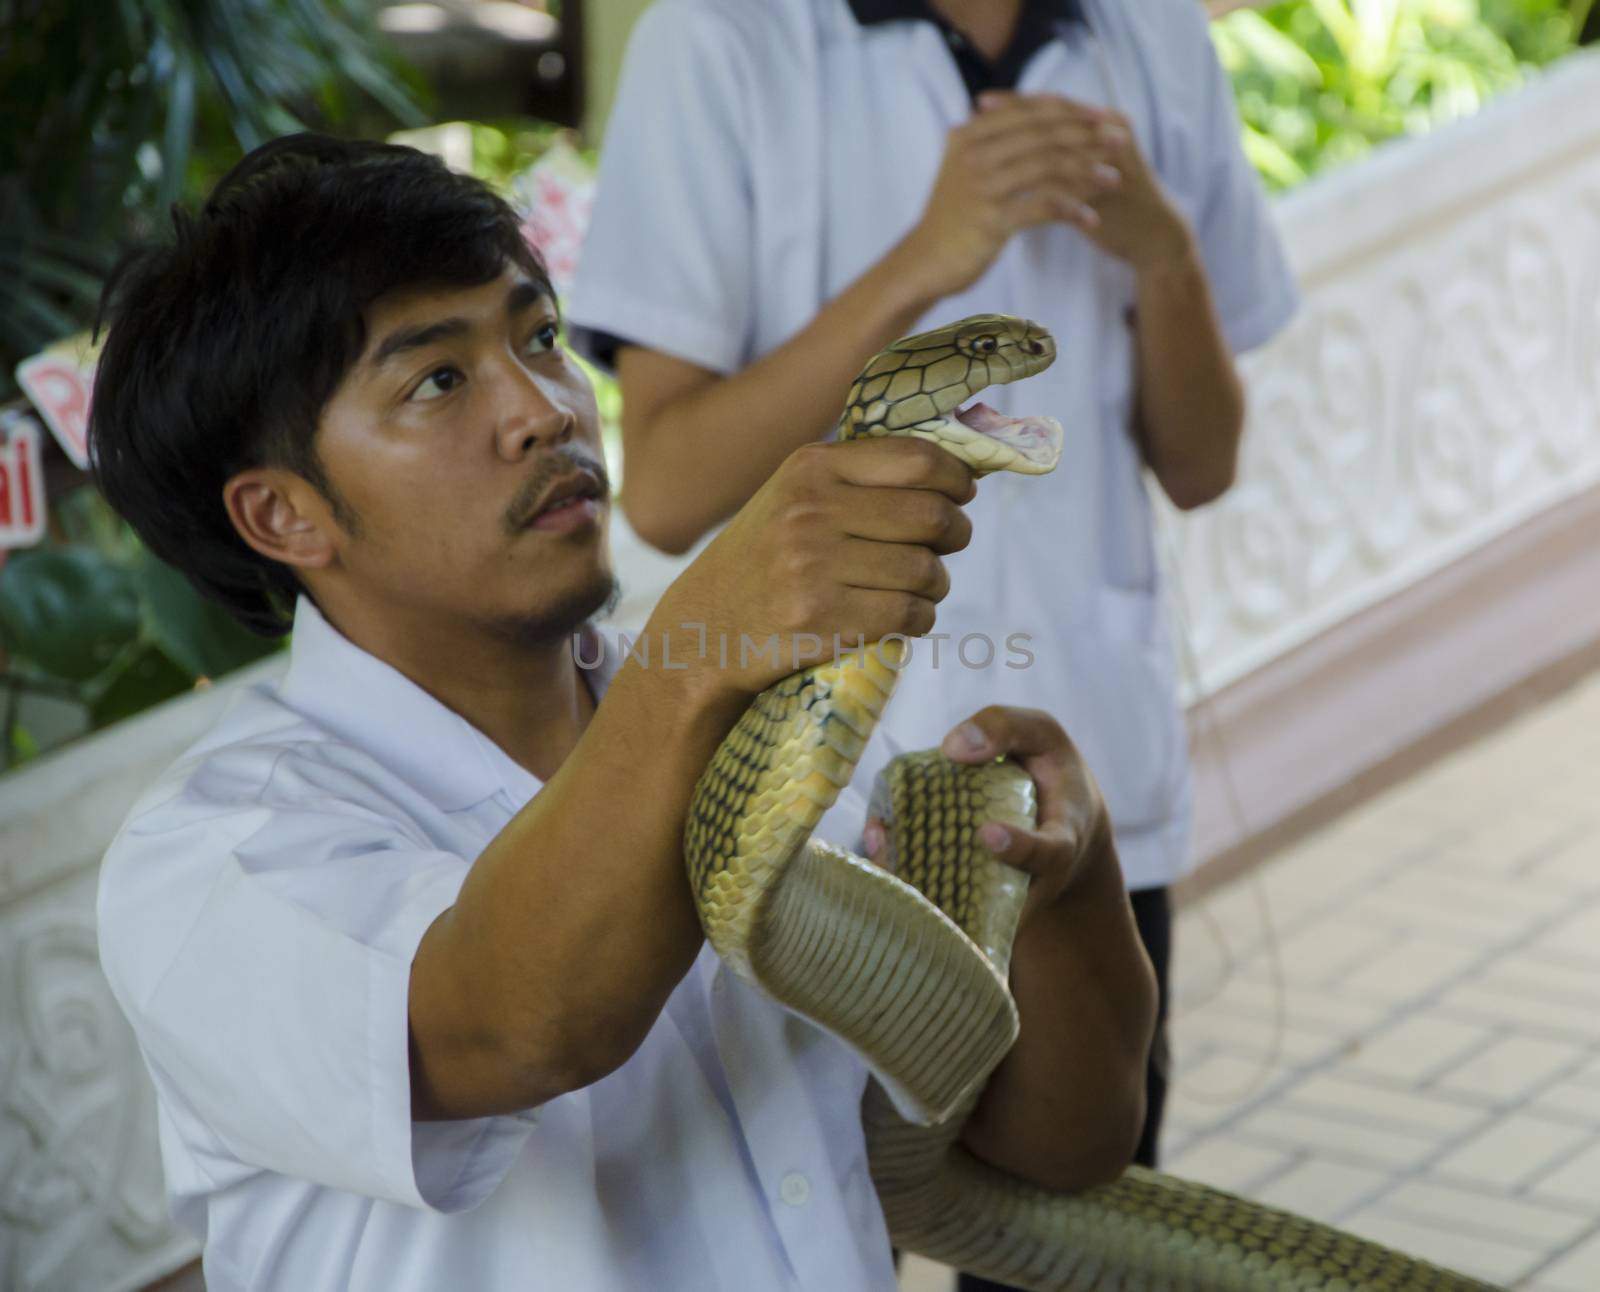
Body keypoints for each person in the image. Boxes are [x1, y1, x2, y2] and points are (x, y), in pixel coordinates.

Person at [88, 133, 1156, 1292]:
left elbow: (1066, 1147)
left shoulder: (774, 722)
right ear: (284, 517)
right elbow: (516, 1021)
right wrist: (701, 658)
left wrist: (1067, 882)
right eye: (438, 379)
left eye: (540, 335)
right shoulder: (213, 855)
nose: (545, 408)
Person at [566, 8, 1298, 1276]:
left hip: (1073, 801)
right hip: (816, 823)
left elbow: (1204, 461)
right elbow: (669, 484)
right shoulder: (721, 39)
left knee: (1075, 1229)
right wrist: (929, 256)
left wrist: (1165, 256)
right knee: (819, 1230)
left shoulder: (1149, 34)